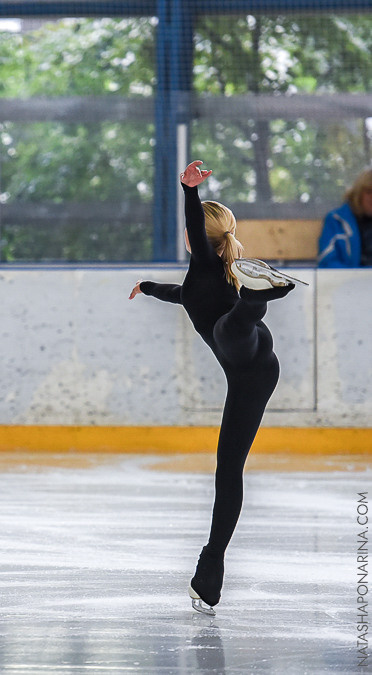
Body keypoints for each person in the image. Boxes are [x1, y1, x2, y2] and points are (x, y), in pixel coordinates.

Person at [129, 160, 298, 616]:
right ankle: (211, 568)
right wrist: (146, 287)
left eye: (192, 231)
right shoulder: (206, 273)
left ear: (199, 238)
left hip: (246, 354)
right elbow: (180, 294)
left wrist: (188, 191)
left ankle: (255, 301)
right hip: (256, 366)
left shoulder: (205, 260)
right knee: (229, 470)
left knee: (228, 329)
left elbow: (191, 230)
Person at [318, 167, 372, 267]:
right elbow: (327, 260)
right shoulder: (337, 221)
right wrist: (351, 278)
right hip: (347, 280)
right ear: (358, 194)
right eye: (369, 192)